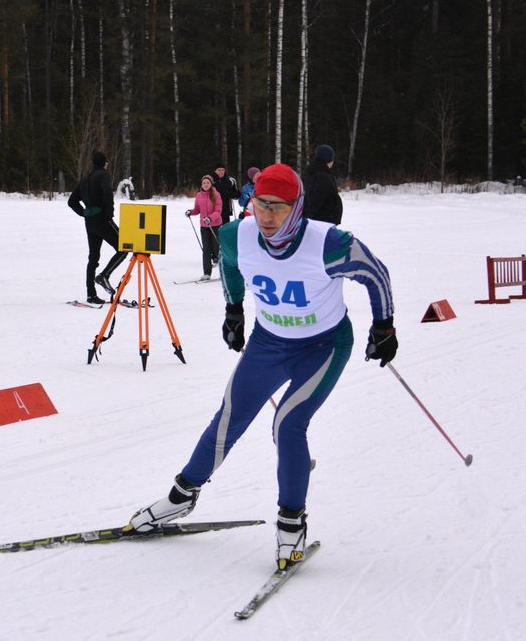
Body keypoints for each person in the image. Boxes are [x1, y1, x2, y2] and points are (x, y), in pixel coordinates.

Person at [127, 163, 396, 570]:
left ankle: (292, 522)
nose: (267, 216)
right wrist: (234, 310)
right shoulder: (238, 234)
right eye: (260, 204)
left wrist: (385, 326)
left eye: (278, 208)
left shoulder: (328, 243)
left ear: (298, 207)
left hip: (322, 347)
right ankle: (181, 497)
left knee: (287, 424)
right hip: (268, 343)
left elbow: (375, 274)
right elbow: (230, 267)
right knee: (228, 418)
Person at [68, 151, 127, 305]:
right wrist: (109, 213)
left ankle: (90, 294)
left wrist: (84, 213)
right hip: (102, 219)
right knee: (124, 247)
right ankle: (104, 275)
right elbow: (107, 193)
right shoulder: (103, 175)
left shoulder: (85, 179)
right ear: (104, 163)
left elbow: (71, 201)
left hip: (90, 222)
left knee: (93, 257)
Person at [186, 175, 223, 280]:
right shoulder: (199, 195)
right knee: (206, 249)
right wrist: (190, 212)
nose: (206, 185)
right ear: (202, 184)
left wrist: (210, 218)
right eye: (204, 183)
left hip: (215, 225)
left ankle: (223, 271)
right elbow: (197, 209)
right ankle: (207, 273)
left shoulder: (216, 194)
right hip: (204, 226)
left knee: (217, 249)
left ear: (211, 184)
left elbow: (218, 211)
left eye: (207, 183)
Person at [301, 144, 343, 225]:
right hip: (322, 224)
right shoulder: (323, 177)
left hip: (319, 222)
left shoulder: (312, 173)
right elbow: (315, 202)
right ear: (329, 159)